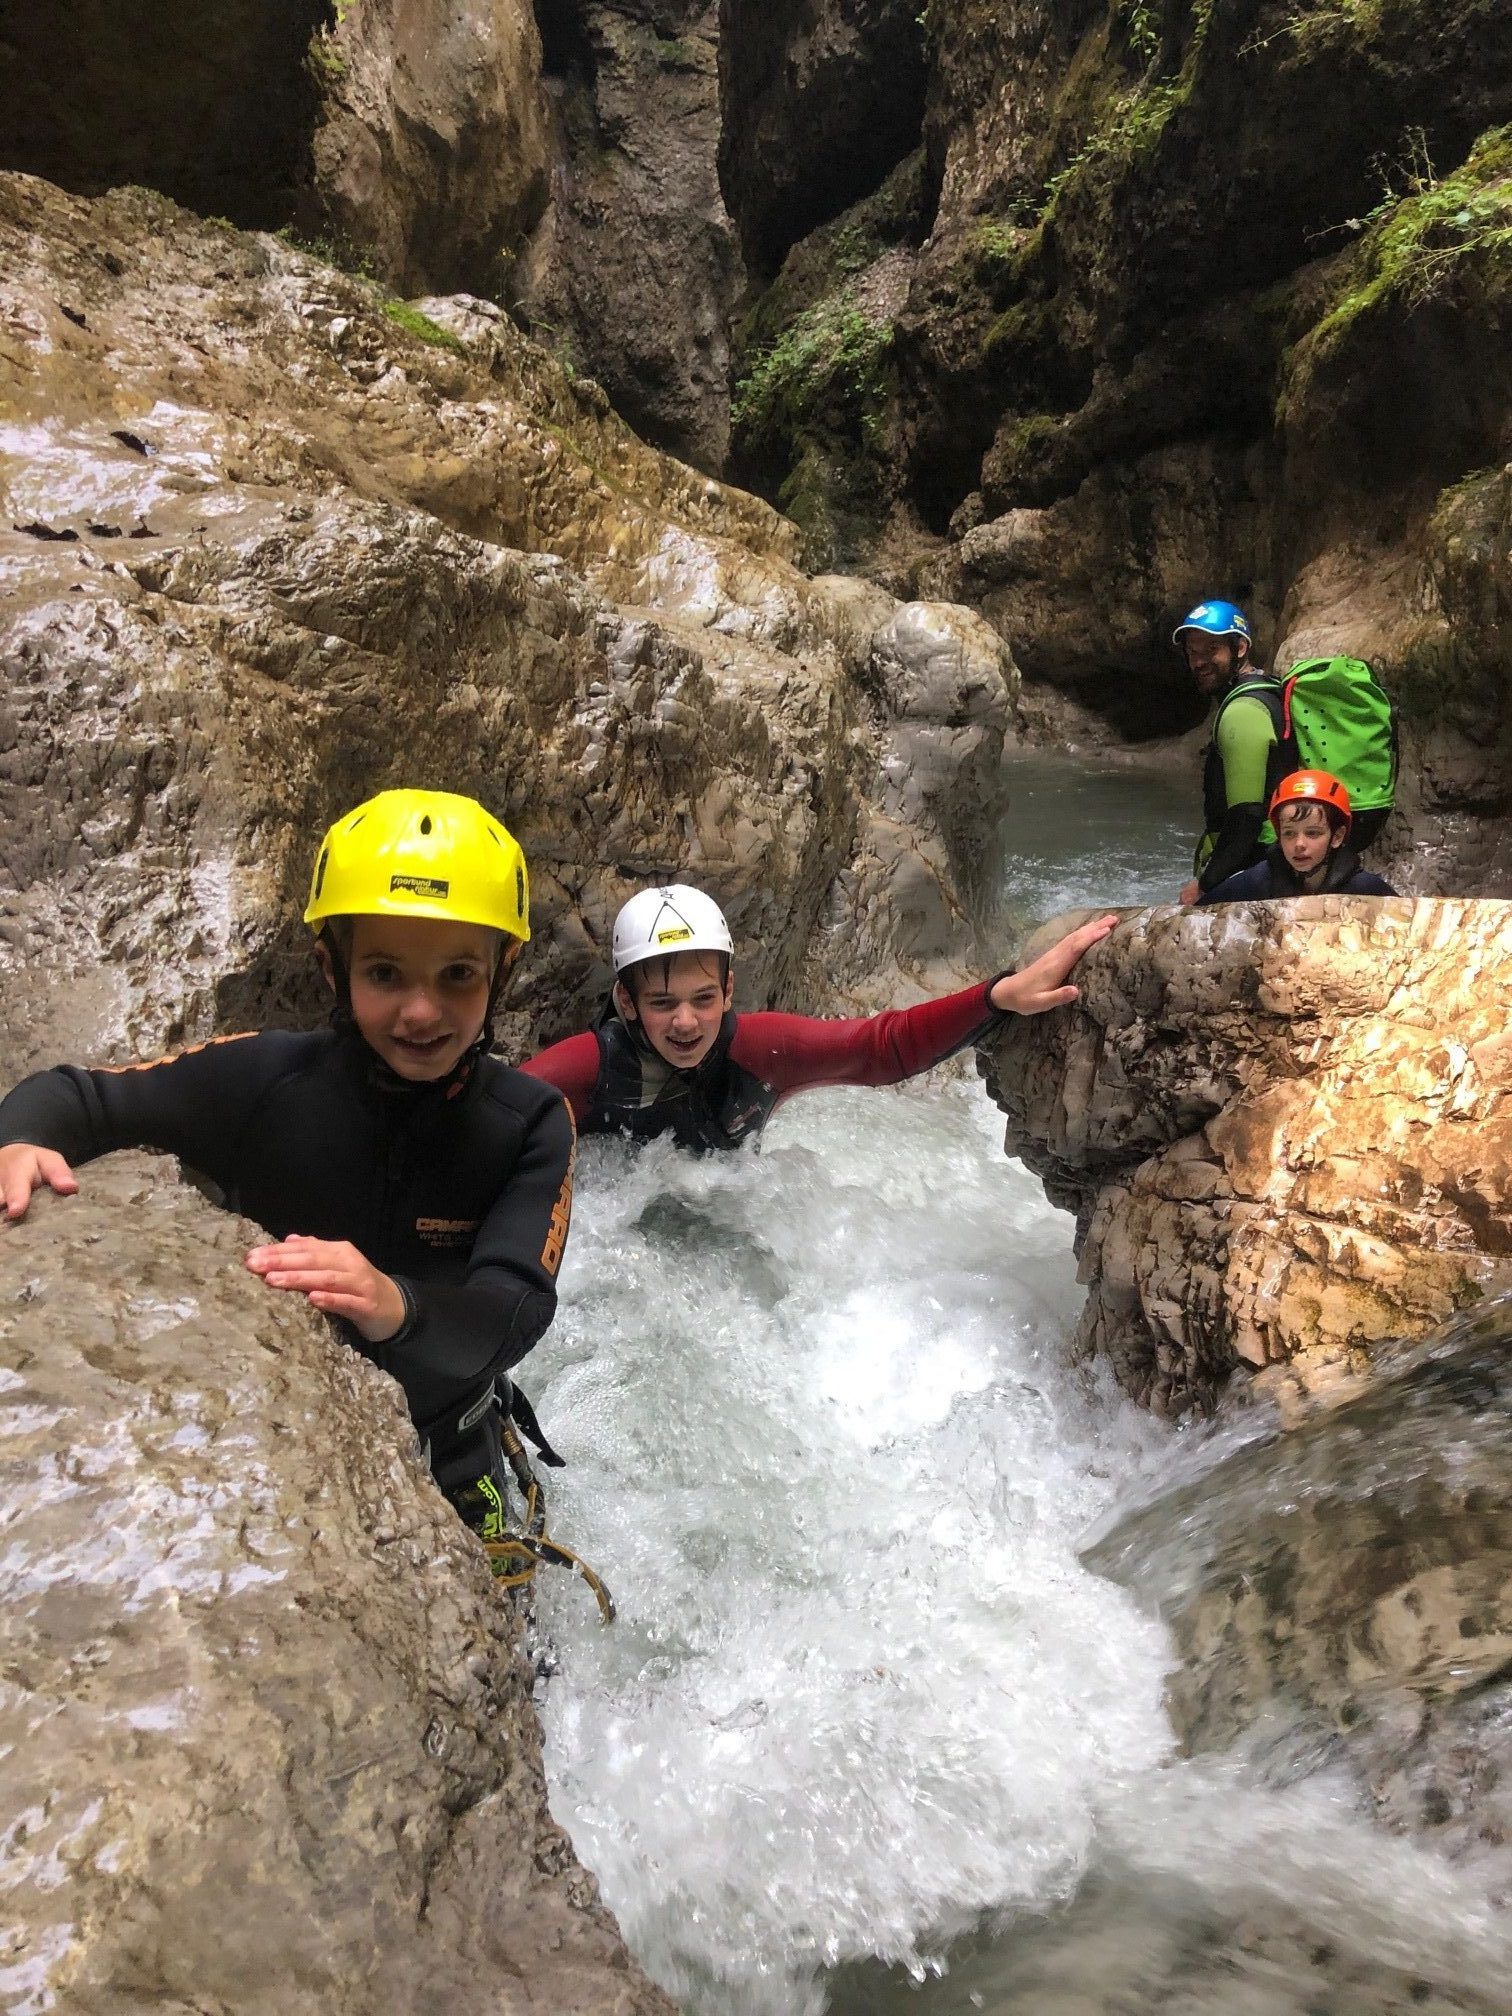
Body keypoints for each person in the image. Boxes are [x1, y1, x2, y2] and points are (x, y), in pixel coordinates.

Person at [0, 789, 598, 1605]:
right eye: (385, 973)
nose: (421, 1010)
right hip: (282, 1434)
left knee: (510, 1657)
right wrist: (22, 1140)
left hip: (457, 1442)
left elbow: (515, 1311)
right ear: (331, 967)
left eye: (458, 975)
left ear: (503, 972)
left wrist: (398, 1306)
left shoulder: (528, 1122)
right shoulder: (265, 1080)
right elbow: (83, 1096)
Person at [521, 885, 1116, 1151]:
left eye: (703, 998)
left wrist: (996, 997)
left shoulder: (764, 1049)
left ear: (729, 992)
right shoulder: (585, 1069)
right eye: (661, 1003)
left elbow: (882, 1047)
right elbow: (486, 1117)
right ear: (627, 1005)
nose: (686, 1023)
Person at [1174, 599, 1289, 906]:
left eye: (1212, 649)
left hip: (1263, 862)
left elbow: (1246, 817)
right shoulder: (1266, 689)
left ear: (1240, 648)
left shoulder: (1243, 711)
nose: (1199, 662)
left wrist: (1205, 884)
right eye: (1193, 652)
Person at [1198, 770, 1398, 903]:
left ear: (1337, 837)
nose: (1299, 844)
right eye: (1289, 834)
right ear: (1278, 835)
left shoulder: (1365, 889)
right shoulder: (1258, 881)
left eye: (1313, 833)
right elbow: (1198, 914)